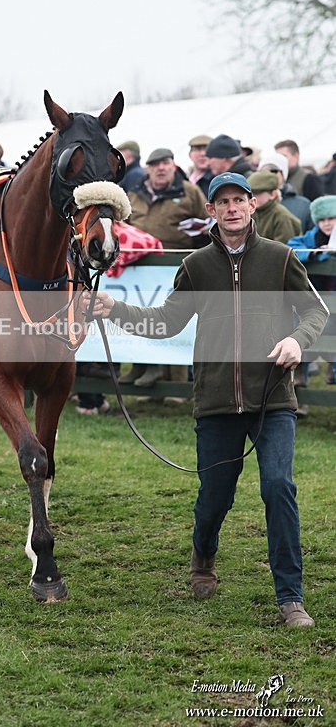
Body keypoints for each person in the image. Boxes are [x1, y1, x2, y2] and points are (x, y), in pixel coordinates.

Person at [84, 171, 328, 627]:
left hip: (273, 398)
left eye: (240, 200)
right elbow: (167, 321)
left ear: (252, 206)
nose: (232, 208)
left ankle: (290, 597)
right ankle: (203, 554)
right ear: (211, 210)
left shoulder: (279, 258)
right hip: (215, 402)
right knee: (215, 497)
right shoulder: (197, 265)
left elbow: (316, 310)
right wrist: (114, 309)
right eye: (224, 202)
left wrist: (298, 340)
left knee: (279, 488)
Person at [126, 146, 208, 393]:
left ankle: (177, 387)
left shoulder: (190, 192)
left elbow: (209, 222)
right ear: (148, 168)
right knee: (139, 319)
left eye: (166, 163)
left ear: (174, 166)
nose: (161, 168)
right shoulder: (134, 194)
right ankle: (141, 368)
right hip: (138, 268)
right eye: (156, 164)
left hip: (175, 265)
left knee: (176, 321)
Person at [288, 195, 336, 386]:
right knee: (305, 332)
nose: (326, 223)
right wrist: (319, 254)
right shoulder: (311, 237)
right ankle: (301, 381)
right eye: (322, 219)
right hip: (315, 299)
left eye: (331, 218)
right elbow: (292, 247)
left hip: (332, 297)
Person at [258, 153, 313, 233]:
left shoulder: (303, 205)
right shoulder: (253, 204)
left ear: (283, 173)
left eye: (273, 171)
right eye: (263, 171)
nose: (268, 175)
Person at [249, 170, 302, 244]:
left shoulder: (281, 217)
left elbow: (282, 250)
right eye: (250, 194)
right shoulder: (252, 213)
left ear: (272, 194)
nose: (252, 197)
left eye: (257, 193)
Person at [187, 134, 213, 199]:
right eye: (197, 149)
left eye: (206, 149)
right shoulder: (185, 179)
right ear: (190, 155)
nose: (202, 154)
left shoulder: (217, 179)